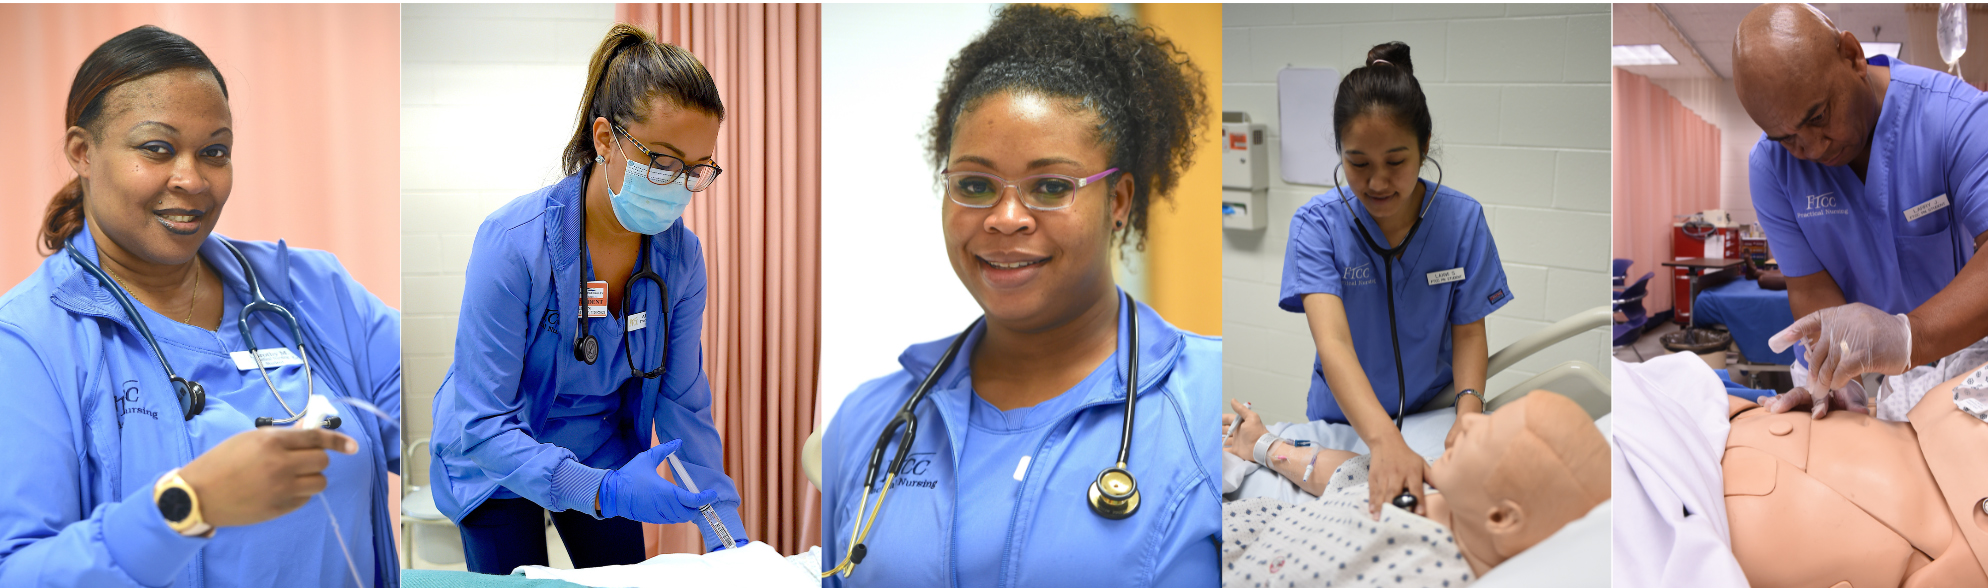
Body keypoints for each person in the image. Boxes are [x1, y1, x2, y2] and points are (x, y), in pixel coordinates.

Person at [818, 6, 1219, 587]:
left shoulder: (1209, 404)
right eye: (975, 185)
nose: (1006, 218)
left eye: (1052, 187)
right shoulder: (868, 421)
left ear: (1120, 201)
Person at [0, 26, 401, 587]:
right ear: (82, 153)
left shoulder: (310, 288)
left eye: (214, 151)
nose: (191, 179)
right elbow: (16, 571)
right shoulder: (27, 342)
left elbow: (448, 421)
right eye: (156, 149)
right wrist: (188, 505)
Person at [427, 24, 745, 574]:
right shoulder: (512, 243)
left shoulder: (681, 261)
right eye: (663, 162)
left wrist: (724, 530)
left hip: (601, 453)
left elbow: (681, 404)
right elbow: (483, 422)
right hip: (496, 463)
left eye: (696, 170)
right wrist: (605, 493)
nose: (678, 185)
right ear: (605, 138)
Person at [1277, 42, 1511, 518]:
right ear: (1340, 152)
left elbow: (1469, 329)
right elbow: (1334, 345)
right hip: (1345, 422)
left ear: (1424, 148)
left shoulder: (1461, 221)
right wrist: (1383, 440)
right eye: (1358, 163)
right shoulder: (1316, 226)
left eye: (1396, 161)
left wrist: (1468, 415)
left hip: (1434, 411)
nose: (1378, 182)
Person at [1732, 3, 1988, 420]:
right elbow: (1810, 287)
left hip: (1976, 354)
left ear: (1853, 56)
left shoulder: (1956, 117)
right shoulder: (1772, 168)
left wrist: (1909, 336)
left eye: (1819, 116)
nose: (1813, 149)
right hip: (1892, 384)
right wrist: (1837, 376)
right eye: (1787, 138)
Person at [1221, 392, 1611, 587]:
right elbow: (1345, 473)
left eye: (1488, 431)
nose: (1471, 423)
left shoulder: (1428, 573)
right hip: (1246, 529)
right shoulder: (1431, 491)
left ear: (1501, 517)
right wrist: (1265, 447)